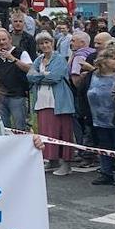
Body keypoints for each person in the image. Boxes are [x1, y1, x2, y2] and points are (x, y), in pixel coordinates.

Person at [28, 31, 76, 175]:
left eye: (47, 42)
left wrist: (39, 76)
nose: (45, 45)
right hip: (42, 101)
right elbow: (29, 76)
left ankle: (66, 164)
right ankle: (52, 160)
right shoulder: (38, 60)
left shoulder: (59, 59)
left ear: (52, 43)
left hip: (59, 102)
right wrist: (43, 76)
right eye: (42, 43)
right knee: (47, 132)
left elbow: (55, 77)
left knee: (62, 132)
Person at [85, 46, 115, 189]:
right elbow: (84, 93)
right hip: (98, 118)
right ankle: (106, 173)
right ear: (104, 61)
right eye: (113, 58)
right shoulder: (93, 75)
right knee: (104, 147)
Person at [0, 28, 32, 132]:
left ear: (10, 39)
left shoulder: (21, 52)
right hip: (1, 96)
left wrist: (13, 59)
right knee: (4, 127)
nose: (2, 42)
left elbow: (29, 69)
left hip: (18, 95)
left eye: (4, 39)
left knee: (20, 127)